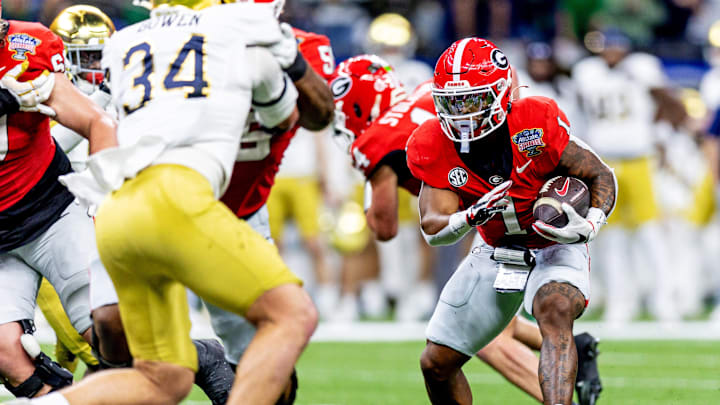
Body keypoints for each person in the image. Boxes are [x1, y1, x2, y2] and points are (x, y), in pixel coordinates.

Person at [11, 1, 317, 405]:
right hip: (175, 195)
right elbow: (290, 116)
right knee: (291, 315)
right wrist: (288, 60)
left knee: (160, 377)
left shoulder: (124, 45)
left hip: (118, 207)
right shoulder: (240, 38)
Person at [406, 38, 616, 405]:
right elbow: (433, 228)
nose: (461, 113)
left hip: (553, 243)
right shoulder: (432, 141)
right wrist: (470, 216)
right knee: (436, 363)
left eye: (470, 100)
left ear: (502, 93)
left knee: (555, 308)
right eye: (451, 102)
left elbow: (600, 175)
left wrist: (591, 224)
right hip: (493, 248)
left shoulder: (535, 120)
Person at [0, 4, 120, 398]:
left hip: (51, 213)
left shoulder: (28, 45)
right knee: (9, 358)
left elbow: (95, 124)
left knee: (105, 336)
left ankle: (205, 362)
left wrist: (107, 217)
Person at [572, 29, 685, 322]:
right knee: (612, 235)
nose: (612, 53)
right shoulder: (586, 72)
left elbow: (670, 104)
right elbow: (581, 112)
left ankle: (665, 298)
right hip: (604, 163)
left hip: (638, 158)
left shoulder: (642, 67)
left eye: (617, 47)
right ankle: (621, 300)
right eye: (607, 47)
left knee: (650, 232)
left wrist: (660, 136)